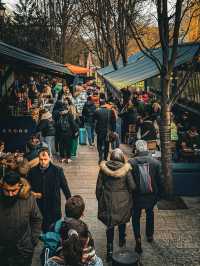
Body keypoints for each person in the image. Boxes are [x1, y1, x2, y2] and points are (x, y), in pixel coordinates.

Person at [96, 148, 136, 261]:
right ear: (122, 158)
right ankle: (122, 244)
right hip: (123, 200)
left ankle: (109, 251)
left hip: (108, 200)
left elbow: (98, 187)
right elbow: (132, 186)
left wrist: (100, 199)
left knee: (110, 225)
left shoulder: (103, 169)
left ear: (111, 157)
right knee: (122, 221)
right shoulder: (126, 169)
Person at [128, 140, 163, 254]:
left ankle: (138, 239)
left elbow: (129, 182)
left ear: (136, 150)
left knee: (136, 217)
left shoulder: (131, 162)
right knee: (150, 214)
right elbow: (160, 181)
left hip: (136, 197)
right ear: (147, 149)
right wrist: (158, 195)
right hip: (151, 196)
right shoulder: (156, 163)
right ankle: (149, 235)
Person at [0, 171, 42, 266]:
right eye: (7, 191)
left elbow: (37, 218)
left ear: (19, 187)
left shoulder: (28, 198)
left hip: (23, 250)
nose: (10, 194)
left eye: (13, 190)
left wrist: (33, 240)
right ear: (2, 187)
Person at [27, 148, 71, 232]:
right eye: (41, 159)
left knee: (53, 230)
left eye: (45, 159)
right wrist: (33, 193)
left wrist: (71, 203)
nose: (43, 162)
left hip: (53, 207)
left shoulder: (58, 171)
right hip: (38, 207)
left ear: (50, 158)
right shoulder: (32, 171)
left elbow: (65, 188)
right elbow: (27, 187)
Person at [94, 98, 116, 163]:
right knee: (107, 144)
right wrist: (113, 130)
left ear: (100, 105)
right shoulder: (111, 111)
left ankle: (100, 156)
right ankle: (105, 158)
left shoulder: (97, 111)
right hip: (108, 131)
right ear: (105, 104)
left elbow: (94, 120)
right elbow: (114, 121)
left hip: (100, 131)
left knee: (99, 144)